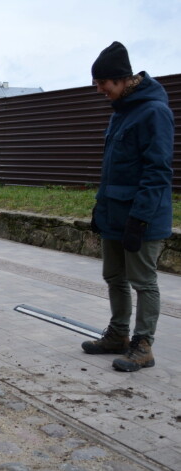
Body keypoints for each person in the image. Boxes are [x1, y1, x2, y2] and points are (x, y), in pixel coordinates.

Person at [82, 41, 174, 372]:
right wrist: (100, 209)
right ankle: (118, 335)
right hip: (114, 214)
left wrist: (140, 219)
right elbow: (115, 169)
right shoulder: (121, 112)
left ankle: (143, 345)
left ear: (121, 79)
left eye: (103, 83)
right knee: (113, 276)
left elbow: (157, 172)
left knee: (143, 281)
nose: (99, 90)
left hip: (142, 217)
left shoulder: (154, 112)